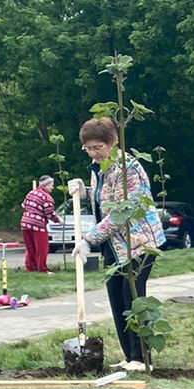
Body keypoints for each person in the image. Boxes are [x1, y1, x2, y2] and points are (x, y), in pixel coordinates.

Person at [72, 118, 164, 372]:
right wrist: (84, 193)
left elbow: (122, 211)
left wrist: (89, 238)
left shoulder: (128, 168)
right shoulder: (98, 168)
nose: (93, 153)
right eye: (88, 148)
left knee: (131, 294)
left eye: (98, 147)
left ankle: (142, 357)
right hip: (114, 245)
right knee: (115, 293)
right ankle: (130, 356)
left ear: (113, 142)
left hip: (138, 242)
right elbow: (105, 200)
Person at [19, 176, 63, 273]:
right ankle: (42, 269)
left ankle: (30, 268)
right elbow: (49, 213)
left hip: (25, 224)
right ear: (46, 185)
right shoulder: (47, 197)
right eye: (51, 185)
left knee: (30, 248)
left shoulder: (31, 193)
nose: (52, 187)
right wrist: (58, 220)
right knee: (42, 248)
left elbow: (23, 205)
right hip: (38, 225)